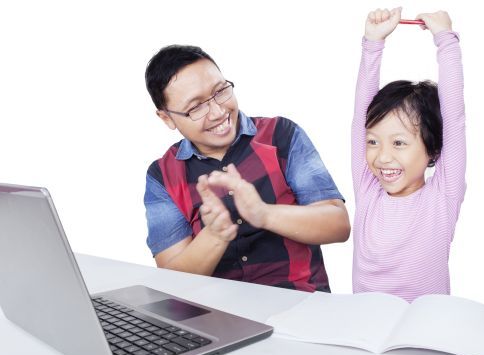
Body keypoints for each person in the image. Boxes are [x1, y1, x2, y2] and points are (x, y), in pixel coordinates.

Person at [144, 45, 350, 292]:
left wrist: (264, 214)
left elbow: (338, 225)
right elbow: (171, 283)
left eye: (220, 91)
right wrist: (215, 236)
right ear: (167, 118)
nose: (218, 112)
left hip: (300, 305)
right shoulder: (162, 175)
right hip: (218, 318)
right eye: (196, 107)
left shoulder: (281, 136)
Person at [351, 8, 466, 302]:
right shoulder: (368, 188)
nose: (382, 157)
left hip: (424, 331)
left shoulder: (442, 196)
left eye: (399, 143)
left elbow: (453, 119)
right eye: (373, 142)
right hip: (367, 327)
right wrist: (373, 42)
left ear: (434, 150)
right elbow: (360, 117)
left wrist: (446, 41)